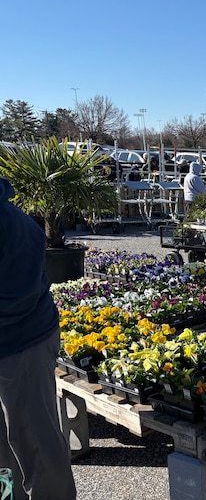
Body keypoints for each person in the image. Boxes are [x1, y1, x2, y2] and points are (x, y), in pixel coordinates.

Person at [0, 177, 77, 500]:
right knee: (3, 449)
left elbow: (16, 300)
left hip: (21, 343)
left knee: (34, 438)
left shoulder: (13, 226)